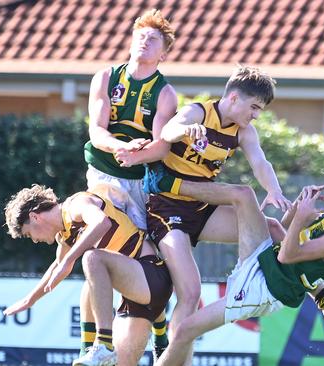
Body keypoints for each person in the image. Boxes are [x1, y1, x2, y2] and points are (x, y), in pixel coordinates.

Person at [117, 65, 292, 363]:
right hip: (167, 209)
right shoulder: (199, 113)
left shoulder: (244, 132)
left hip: (202, 207)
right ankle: (172, 359)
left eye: (259, 110)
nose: (256, 115)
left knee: (272, 228)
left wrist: (274, 190)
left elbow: (260, 163)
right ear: (234, 98)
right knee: (190, 293)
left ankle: (309, 291)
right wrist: (186, 130)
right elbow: (169, 131)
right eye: (254, 107)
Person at [151, 164, 324, 365]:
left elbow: (287, 255)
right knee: (244, 196)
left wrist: (303, 218)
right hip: (264, 263)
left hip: (264, 290)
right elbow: (283, 230)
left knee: (183, 331)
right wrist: (299, 206)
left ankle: (168, 185)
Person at [81, 8, 178, 358]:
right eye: (140, 35)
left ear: (163, 53)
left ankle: (160, 326)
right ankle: (91, 346)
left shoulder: (165, 94)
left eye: (152, 39)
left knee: (143, 257)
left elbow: (161, 146)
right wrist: (123, 148)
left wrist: (138, 155)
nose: (144, 41)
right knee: (92, 252)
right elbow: (96, 130)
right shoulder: (106, 77)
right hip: (102, 176)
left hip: (138, 183)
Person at [2, 184, 172, 366]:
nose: (35, 240)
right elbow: (57, 268)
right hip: (136, 294)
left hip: (151, 276)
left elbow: (102, 222)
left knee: (92, 260)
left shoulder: (76, 205)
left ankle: (101, 344)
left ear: (34, 216)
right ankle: (160, 333)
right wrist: (30, 300)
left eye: (30, 234)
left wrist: (69, 259)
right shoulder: (65, 234)